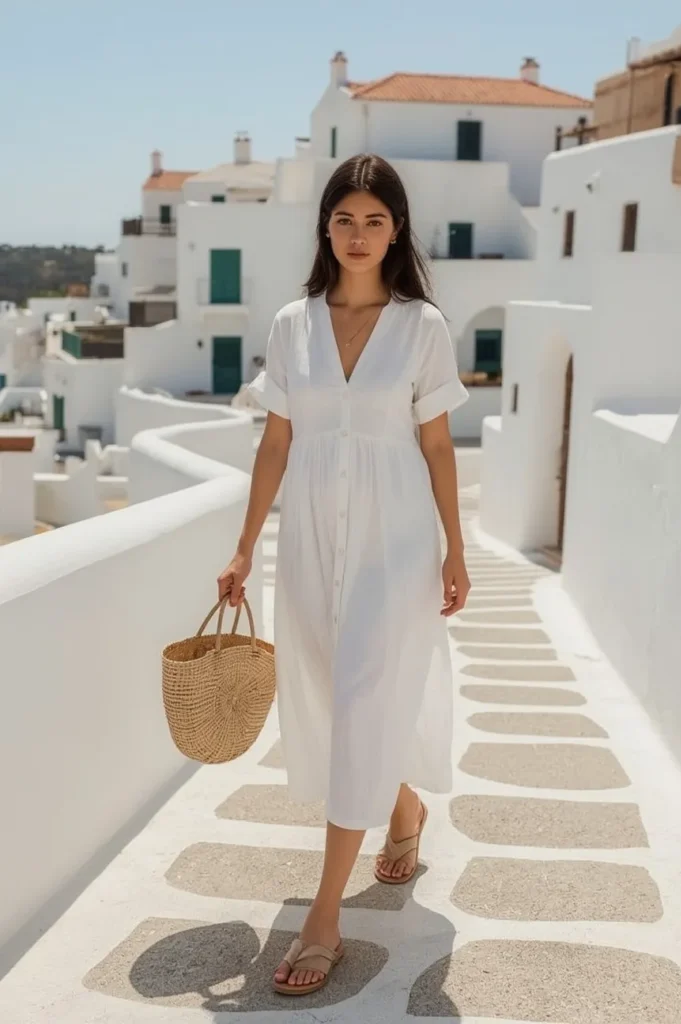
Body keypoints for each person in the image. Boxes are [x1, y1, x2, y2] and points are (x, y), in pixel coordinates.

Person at [217, 153, 471, 996]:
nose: (358, 235)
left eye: (374, 220)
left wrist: (455, 548)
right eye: (343, 220)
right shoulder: (292, 324)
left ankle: (323, 917)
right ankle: (402, 812)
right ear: (324, 229)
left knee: (363, 700)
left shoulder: (421, 326)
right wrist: (246, 545)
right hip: (312, 544)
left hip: (395, 544)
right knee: (332, 691)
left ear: (396, 231)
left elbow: (436, 445)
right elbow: (276, 443)